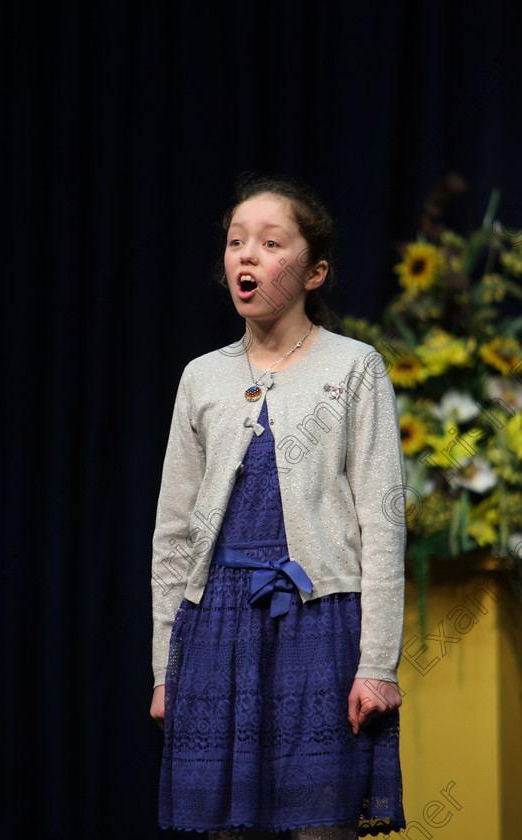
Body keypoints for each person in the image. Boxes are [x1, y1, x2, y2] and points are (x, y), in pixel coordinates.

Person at [150, 175, 406, 839]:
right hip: (218, 629)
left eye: (270, 242)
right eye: (237, 243)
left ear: (314, 271)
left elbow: (382, 523)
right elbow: (174, 535)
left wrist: (377, 665)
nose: (247, 256)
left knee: (320, 823)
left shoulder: (353, 367)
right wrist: (163, 667)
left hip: (318, 622)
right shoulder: (203, 378)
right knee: (226, 827)